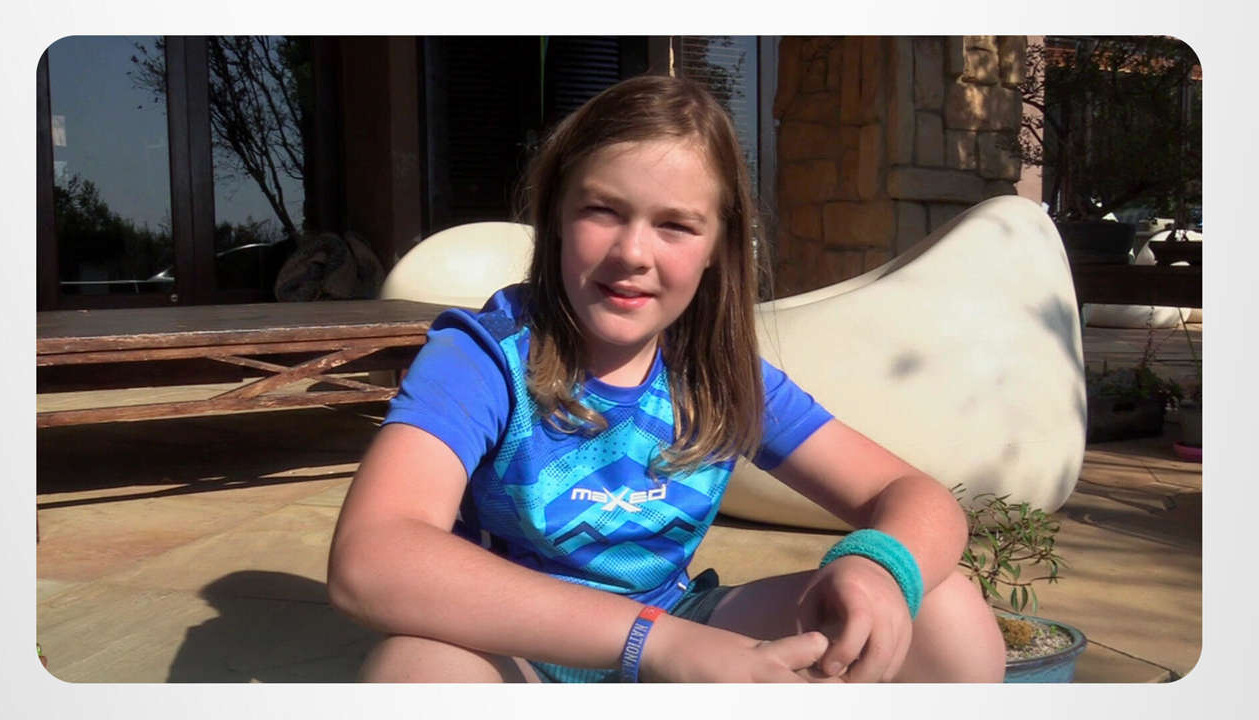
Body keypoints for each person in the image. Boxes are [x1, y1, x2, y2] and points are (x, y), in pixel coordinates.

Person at [326, 74, 1005, 683]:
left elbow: (915, 496)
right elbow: (372, 558)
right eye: (602, 210)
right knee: (418, 677)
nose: (632, 253)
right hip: (515, 646)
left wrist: (879, 567)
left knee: (947, 616)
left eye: (676, 225)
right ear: (556, 217)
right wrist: (654, 642)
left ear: (718, 248)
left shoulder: (718, 378)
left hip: (679, 627)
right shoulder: (484, 360)